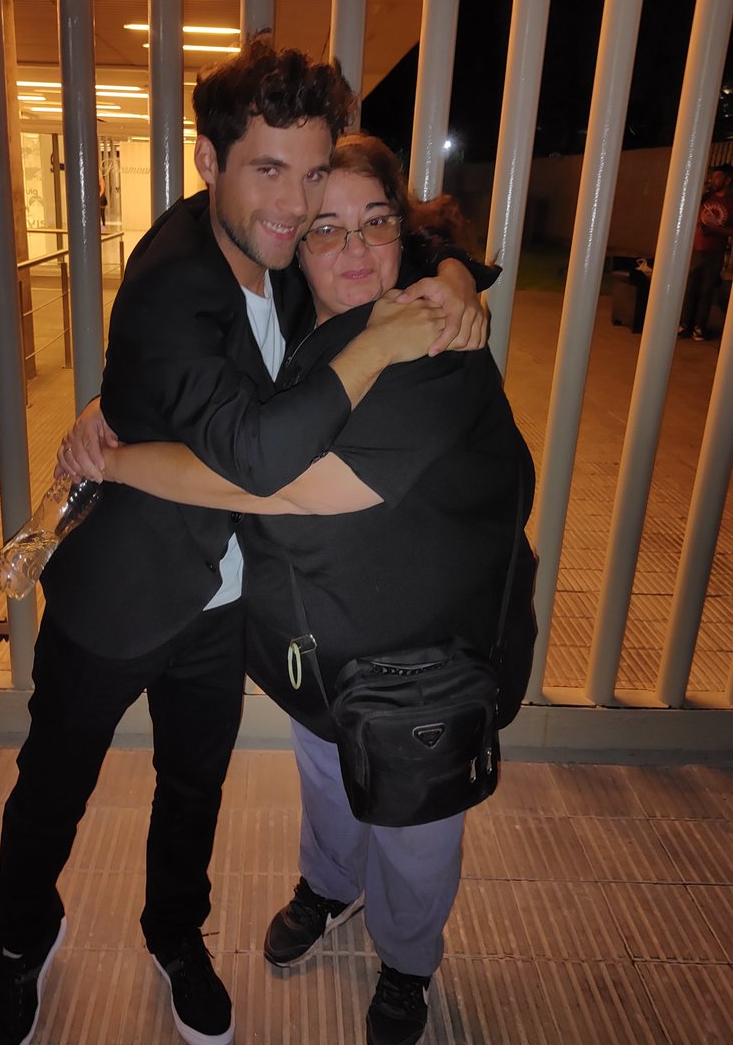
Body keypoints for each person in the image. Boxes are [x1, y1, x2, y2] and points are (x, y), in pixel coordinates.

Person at [0, 39, 490, 1045]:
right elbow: (257, 457)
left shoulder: (284, 246)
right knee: (54, 785)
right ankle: (21, 939)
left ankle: (176, 935)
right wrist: (385, 344)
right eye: (268, 170)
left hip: (226, 601)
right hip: (124, 587)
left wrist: (458, 281)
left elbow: (408, 238)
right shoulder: (172, 281)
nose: (296, 205)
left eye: (311, 172)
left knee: (194, 787)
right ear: (210, 162)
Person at [99, 134, 535, 1045]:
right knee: (328, 779)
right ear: (297, 246)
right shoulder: (303, 312)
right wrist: (115, 407)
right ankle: (331, 886)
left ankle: (407, 962)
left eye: (375, 222)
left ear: (402, 230)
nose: (353, 249)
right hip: (320, 645)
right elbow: (212, 383)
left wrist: (121, 462)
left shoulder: (434, 347)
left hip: (423, 666)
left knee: (416, 830)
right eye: (325, 228)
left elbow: (285, 486)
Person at [678, 163, 733, 340]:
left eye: (717, 177)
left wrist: (714, 229)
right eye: (713, 177)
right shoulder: (706, 197)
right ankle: (684, 324)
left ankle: (699, 327)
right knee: (690, 288)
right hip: (697, 248)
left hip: (715, 252)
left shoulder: (730, 202)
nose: (713, 180)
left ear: (727, 180)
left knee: (706, 290)